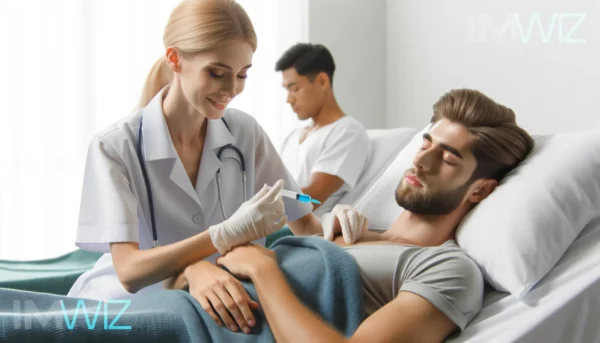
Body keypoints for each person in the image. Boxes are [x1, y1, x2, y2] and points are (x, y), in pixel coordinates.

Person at [66, 0, 367, 336]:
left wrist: (336, 222)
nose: (231, 90)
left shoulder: (245, 133)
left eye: (242, 75)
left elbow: (304, 220)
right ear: (175, 59)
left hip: (212, 307)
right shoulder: (115, 146)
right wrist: (222, 236)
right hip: (117, 311)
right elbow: (129, 272)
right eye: (217, 73)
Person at [216, 89, 535, 342]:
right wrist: (200, 273)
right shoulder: (350, 230)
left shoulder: (447, 269)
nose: (422, 162)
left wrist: (262, 269)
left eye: (448, 159)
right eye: (426, 144)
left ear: (479, 190)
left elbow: (257, 266)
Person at [276, 43, 370, 216]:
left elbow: (311, 199)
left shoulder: (347, 132)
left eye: (294, 88)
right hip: (278, 223)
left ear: (322, 81)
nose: (289, 99)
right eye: (286, 90)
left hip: (302, 228)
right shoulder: (294, 135)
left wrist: (266, 199)